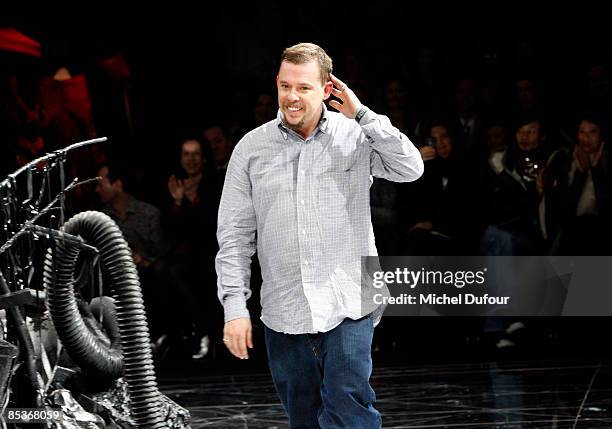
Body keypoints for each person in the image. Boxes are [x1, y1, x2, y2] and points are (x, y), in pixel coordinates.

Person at [215, 43, 423, 428]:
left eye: (304, 88)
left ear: (327, 89)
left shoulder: (356, 136)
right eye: (284, 86)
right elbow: (234, 236)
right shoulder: (251, 148)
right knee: (304, 418)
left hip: (348, 300)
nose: (292, 97)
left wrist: (362, 114)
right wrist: (234, 309)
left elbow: (410, 168)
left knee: (350, 407)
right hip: (284, 307)